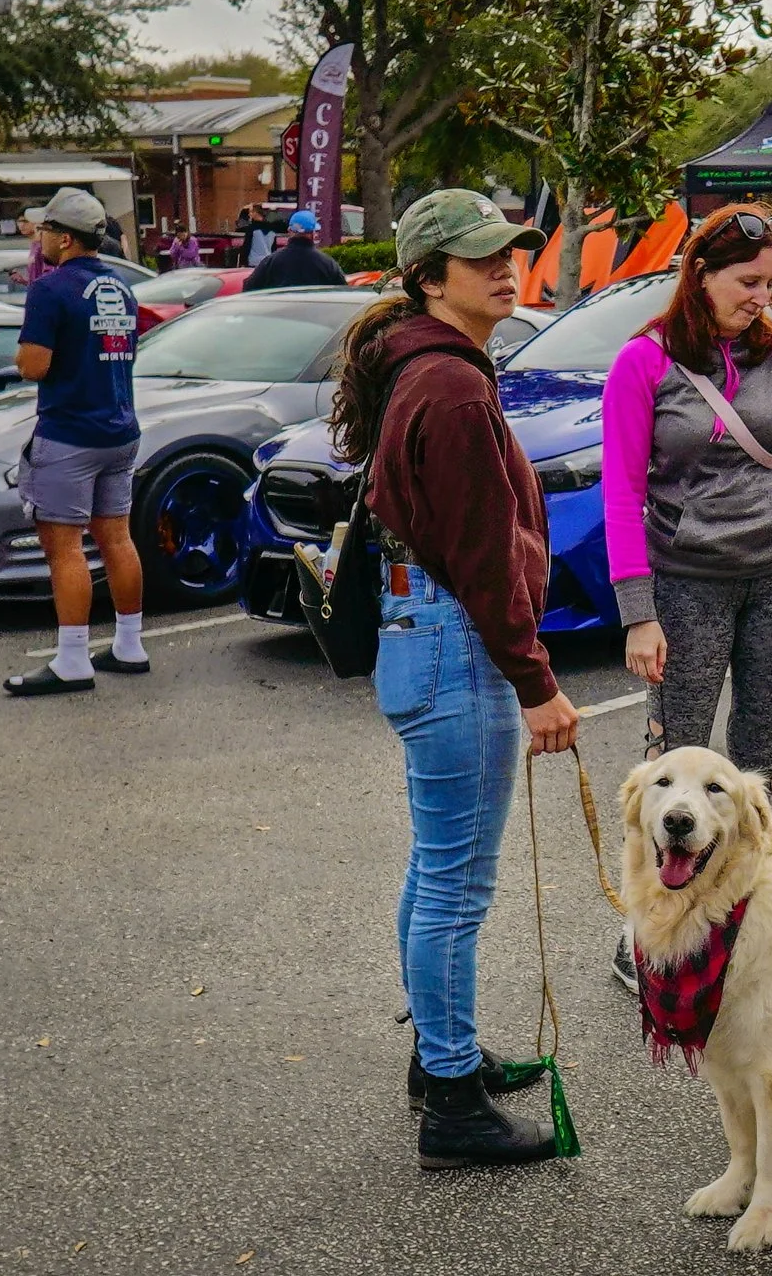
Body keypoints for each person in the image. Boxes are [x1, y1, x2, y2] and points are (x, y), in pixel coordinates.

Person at [330, 187, 577, 1168]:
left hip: (421, 634)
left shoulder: (430, 368)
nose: (507, 270)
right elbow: (479, 556)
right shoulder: (452, 385)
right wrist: (538, 683)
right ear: (430, 278)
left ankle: (446, 1057)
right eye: (483, 260)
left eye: (512, 253)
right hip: (450, 642)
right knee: (456, 886)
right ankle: (451, 1104)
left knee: (438, 872)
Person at [604, 203, 772, 779]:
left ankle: (753, 869)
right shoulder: (642, 361)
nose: (762, 298)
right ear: (700, 272)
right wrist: (638, 615)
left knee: (756, 760)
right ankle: (667, 869)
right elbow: (621, 497)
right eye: (748, 281)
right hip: (686, 580)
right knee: (677, 759)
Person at [0, 189, 151, 698]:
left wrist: (23, 356)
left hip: (68, 433)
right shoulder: (122, 285)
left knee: (64, 548)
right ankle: (130, 644)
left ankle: (71, 659)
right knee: (117, 538)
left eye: (43, 230)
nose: (38, 237)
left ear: (64, 238)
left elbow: (33, 365)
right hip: (120, 429)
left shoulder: (50, 289)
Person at [246, 209, 346, 290]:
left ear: (289, 230)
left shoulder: (271, 262)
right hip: (315, 314)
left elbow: (249, 288)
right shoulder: (327, 264)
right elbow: (342, 292)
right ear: (313, 233)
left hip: (280, 313)